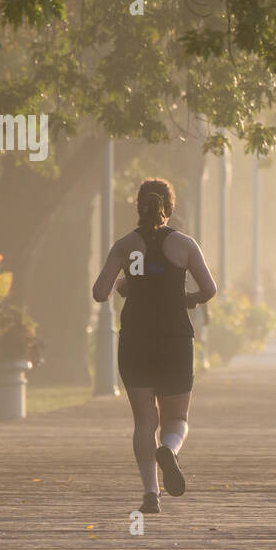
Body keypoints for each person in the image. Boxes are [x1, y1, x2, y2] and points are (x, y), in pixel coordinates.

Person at [92, 178, 217, 514]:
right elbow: (209, 289)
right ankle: (171, 451)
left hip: (135, 339)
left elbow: (100, 292)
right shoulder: (185, 245)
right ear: (170, 207)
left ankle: (151, 494)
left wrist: (125, 283)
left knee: (144, 420)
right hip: (175, 338)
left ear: (138, 207)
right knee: (176, 418)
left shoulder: (125, 245)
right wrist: (187, 299)